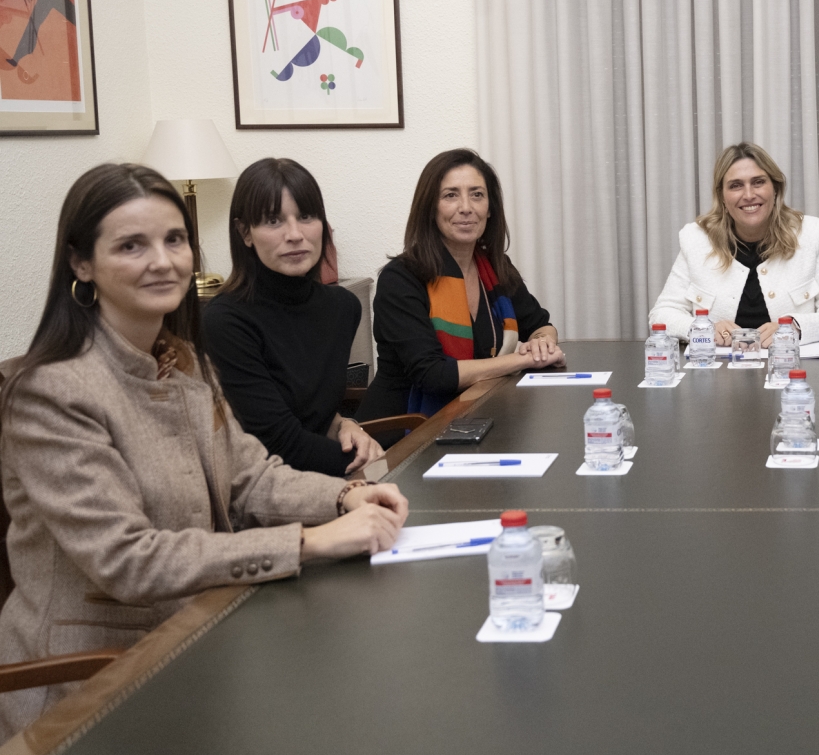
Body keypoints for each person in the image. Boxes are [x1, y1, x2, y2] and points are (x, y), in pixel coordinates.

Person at [0, 164, 409, 738]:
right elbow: (128, 559)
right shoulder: (50, 391)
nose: (163, 260)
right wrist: (310, 542)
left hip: (204, 634)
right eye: (131, 245)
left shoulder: (184, 360)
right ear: (81, 264)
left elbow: (251, 477)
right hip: (92, 684)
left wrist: (346, 494)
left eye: (174, 240)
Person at [203, 158, 382, 476]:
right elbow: (277, 443)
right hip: (263, 491)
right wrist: (379, 468)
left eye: (306, 216)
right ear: (245, 232)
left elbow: (315, 412)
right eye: (273, 221)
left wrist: (345, 424)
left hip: (329, 480)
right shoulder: (224, 321)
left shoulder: (343, 307)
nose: (295, 234)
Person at [358, 149, 564, 420]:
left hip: (478, 415)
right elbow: (433, 375)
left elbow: (540, 324)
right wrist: (523, 360)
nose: (466, 207)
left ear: (490, 209)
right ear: (430, 208)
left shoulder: (495, 268)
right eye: (450, 195)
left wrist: (541, 344)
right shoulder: (401, 278)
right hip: (402, 431)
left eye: (477, 194)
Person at [649, 143, 819, 346]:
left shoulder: (810, 234)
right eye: (736, 185)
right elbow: (662, 314)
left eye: (758, 182)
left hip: (790, 368)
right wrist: (702, 329)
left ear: (775, 189)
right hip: (719, 375)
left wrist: (794, 327)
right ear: (722, 196)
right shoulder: (696, 239)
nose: (749, 195)